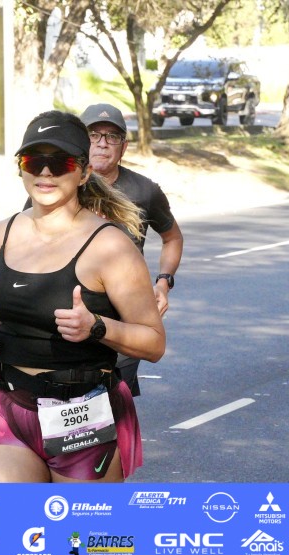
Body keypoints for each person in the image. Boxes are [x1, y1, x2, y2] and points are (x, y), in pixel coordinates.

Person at [0, 110, 166, 483]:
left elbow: (153, 343)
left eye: (60, 162)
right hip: (9, 403)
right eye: (34, 160)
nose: (45, 172)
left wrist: (97, 327)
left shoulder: (110, 246)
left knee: (79, 524)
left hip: (81, 412)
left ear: (84, 172)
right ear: (20, 168)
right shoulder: (0, 234)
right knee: (9, 519)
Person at [79, 103, 183, 394]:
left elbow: (173, 238)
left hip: (126, 318)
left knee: (112, 399)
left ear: (123, 147)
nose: (102, 143)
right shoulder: (61, 186)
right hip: (71, 314)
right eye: (93, 135)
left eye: (112, 137)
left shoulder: (145, 190)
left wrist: (163, 283)